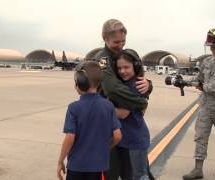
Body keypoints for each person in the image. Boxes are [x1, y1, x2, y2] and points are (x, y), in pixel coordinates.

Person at [93, 19, 153, 180]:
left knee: (135, 171)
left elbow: (137, 76)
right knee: (112, 170)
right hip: (109, 124)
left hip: (126, 126)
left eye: (123, 41)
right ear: (105, 38)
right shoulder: (103, 59)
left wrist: (149, 85)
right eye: (116, 42)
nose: (120, 45)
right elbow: (112, 89)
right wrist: (140, 102)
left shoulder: (123, 56)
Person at [182, 27, 215, 180]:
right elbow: (199, 79)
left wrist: (202, 86)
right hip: (205, 107)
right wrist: (186, 82)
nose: (211, 48)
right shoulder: (207, 61)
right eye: (210, 46)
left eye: (214, 46)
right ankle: (198, 169)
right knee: (200, 137)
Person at [57, 61, 122, 180]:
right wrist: (104, 148)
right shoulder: (108, 106)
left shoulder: (74, 108)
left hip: (77, 166)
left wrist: (60, 161)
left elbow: (70, 137)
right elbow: (117, 136)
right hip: (98, 167)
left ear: (80, 83)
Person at [114, 49, 150, 180]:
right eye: (119, 68)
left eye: (126, 67)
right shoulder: (123, 84)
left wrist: (102, 108)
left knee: (139, 176)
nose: (122, 71)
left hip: (135, 140)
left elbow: (123, 113)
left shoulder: (136, 85)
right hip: (124, 140)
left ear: (135, 66)